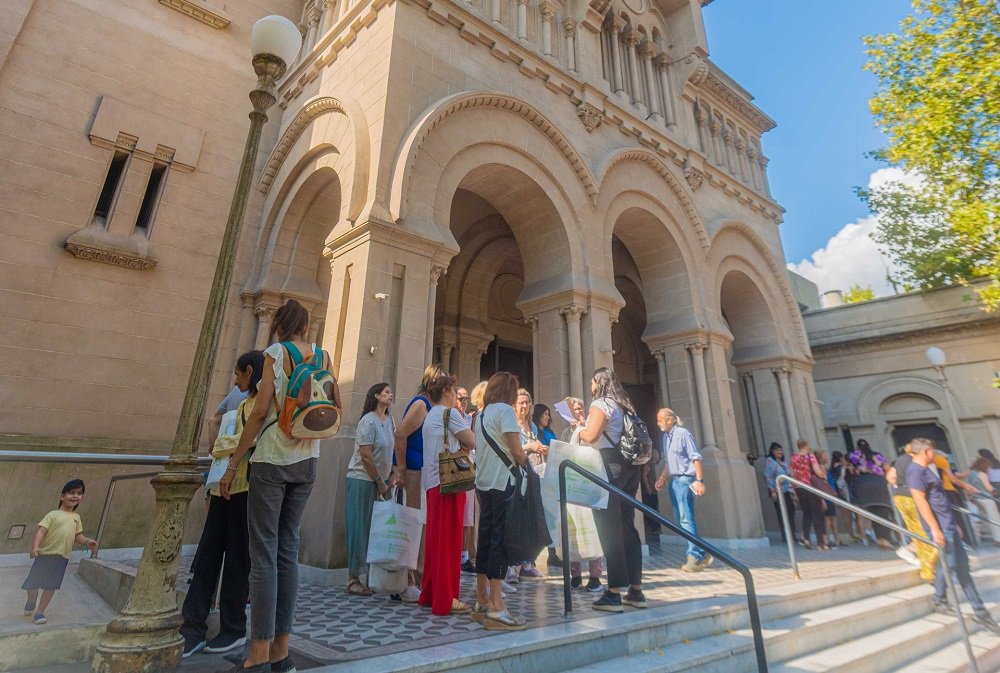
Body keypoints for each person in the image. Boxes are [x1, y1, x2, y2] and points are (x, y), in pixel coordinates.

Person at [221, 299, 340, 673]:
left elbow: (259, 411)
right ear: (306, 326)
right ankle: (280, 650)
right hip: (309, 460)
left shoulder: (275, 352)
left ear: (279, 325)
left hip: (273, 459)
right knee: (287, 551)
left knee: (264, 556)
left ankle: (257, 651)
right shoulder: (322, 356)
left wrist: (234, 462)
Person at [180, 351, 263, 657]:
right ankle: (192, 627)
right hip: (222, 488)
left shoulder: (263, 406)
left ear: (251, 372)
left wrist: (221, 450)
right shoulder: (241, 404)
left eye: (239, 374)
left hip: (245, 488)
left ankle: (233, 628)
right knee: (207, 558)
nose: (235, 379)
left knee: (238, 560)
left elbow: (251, 439)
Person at [907, 437, 1000, 633]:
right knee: (949, 564)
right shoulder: (915, 471)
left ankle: (976, 610)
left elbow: (939, 498)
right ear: (925, 452)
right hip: (940, 526)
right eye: (933, 452)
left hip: (948, 523)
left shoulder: (927, 470)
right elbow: (920, 501)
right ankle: (946, 601)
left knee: (960, 566)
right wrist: (934, 528)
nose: (937, 455)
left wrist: (955, 523)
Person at [579, 367, 645, 612]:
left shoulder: (602, 403)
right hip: (630, 467)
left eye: (593, 381)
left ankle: (614, 592)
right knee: (627, 525)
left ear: (599, 382)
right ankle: (636, 590)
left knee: (609, 527)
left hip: (609, 465)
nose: (591, 385)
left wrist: (579, 427)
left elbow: (592, 435)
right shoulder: (625, 404)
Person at [472, 371, 529, 630]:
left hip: (483, 484)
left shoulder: (481, 414)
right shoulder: (505, 412)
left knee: (485, 540)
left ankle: (481, 599)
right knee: (499, 542)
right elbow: (517, 451)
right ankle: (497, 605)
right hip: (503, 483)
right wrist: (525, 460)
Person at [420, 371, 476, 615]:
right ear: (446, 392)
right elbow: (471, 440)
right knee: (450, 542)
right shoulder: (449, 413)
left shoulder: (430, 415)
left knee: (436, 540)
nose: (456, 397)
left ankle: (431, 592)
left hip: (433, 482)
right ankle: (447, 597)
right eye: (454, 392)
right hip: (450, 481)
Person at [391, 364, 443, 602]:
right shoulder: (422, 404)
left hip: (423, 472)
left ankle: (419, 576)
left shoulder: (429, 404)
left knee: (421, 523)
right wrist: (401, 469)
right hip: (413, 472)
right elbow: (401, 434)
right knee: (413, 523)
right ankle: (407, 580)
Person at [22, 479, 97, 625]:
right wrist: (35, 547)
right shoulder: (53, 514)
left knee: (51, 586)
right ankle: (31, 599)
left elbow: (77, 536)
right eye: (72, 493)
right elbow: (41, 532)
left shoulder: (76, 517)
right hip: (44, 556)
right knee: (32, 585)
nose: (75, 496)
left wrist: (87, 541)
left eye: (79, 493)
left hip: (61, 558)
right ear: (62, 496)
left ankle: (40, 612)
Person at [344, 383, 395, 596]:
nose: (390, 395)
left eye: (391, 392)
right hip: (363, 479)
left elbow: (390, 449)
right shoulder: (368, 421)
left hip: (381, 481)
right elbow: (366, 454)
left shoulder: (390, 419)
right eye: (386, 392)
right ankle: (353, 579)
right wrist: (379, 480)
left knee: (375, 529)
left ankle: (370, 577)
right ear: (375, 395)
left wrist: (394, 473)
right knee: (359, 527)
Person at [654, 408, 713, 571]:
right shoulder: (666, 437)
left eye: (660, 419)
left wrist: (699, 480)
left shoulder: (683, 434)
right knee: (681, 520)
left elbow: (695, 457)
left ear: (670, 420)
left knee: (686, 518)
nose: (658, 423)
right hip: (674, 481)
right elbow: (668, 461)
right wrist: (663, 478)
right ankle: (701, 552)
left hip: (686, 480)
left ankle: (694, 556)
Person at [886, 443, 936, 579]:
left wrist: (899, 486)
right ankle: (929, 569)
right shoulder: (917, 461)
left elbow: (890, 477)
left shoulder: (900, 460)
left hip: (900, 497)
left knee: (915, 531)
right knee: (925, 531)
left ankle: (919, 558)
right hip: (914, 496)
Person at [513, 388, 547, 580]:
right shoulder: (512, 425)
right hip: (517, 477)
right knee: (516, 520)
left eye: (527, 403)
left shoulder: (532, 426)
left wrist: (541, 449)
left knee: (530, 521)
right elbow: (512, 448)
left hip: (533, 476)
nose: (524, 406)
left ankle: (527, 563)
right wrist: (529, 447)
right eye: (521, 403)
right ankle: (513, 564)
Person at [461, 382, 488, 575]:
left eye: (464, 399)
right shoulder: (476, 417)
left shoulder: (471, 417)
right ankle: (465, 556)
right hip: (468, 470)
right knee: (468, 516)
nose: (462, 402)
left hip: (476, 472)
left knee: (472, 518)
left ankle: (469, 555)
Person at [848, 439, 894, 549]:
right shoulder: (878, 455)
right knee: (884, 512)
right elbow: (887, 468)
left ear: (857, 447)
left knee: (873, 513)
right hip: (879, 483)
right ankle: (887, 539)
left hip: (863, 484)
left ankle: (880, 539)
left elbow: (851, 470)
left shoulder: (855, 455)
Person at [789, 439, 830, 551]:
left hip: (799, 488)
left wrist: (794, 489)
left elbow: (792, 474)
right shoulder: (810, 456)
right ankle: (820, 543)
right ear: (806, 446)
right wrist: (823, 476)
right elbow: (817, 471)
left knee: (807, 513)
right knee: (817, 513)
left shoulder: (793, 458)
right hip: (810, 486)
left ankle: (806, 538)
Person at [764, 443, 798, 545]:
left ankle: (793, 534)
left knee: (791, 513)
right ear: (773, 451)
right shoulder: (770, 462)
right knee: (782, 514)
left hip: (787, 491)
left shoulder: (783, 462)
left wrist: (793, 491)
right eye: (777, 450)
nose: (780, 452)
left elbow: (789, 477)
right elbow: (768, 476)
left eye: (780, 450)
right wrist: (772, 491)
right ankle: (786, 536)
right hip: (778, 491)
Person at [966, 456, 1000, 545]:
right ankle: (998, 539)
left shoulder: (971, 473)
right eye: (988, 467)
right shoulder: (982, 474)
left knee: (983, 518)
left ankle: (986, 536)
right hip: (986, 498)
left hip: (975, 499)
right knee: (995, 519)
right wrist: (995, 490)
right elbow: (988, 488)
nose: (989, 469)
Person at [815, 450, 840, 548]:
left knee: (833, 518)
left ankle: (837, 539)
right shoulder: (820, 470)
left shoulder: (825, 468)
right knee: (828, 519)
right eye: (824, 456)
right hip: (826, 496)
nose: (827, 457)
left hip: (830, 496)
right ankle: (828, 540)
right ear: (820, 458)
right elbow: (823, 484)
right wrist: (822, 499)